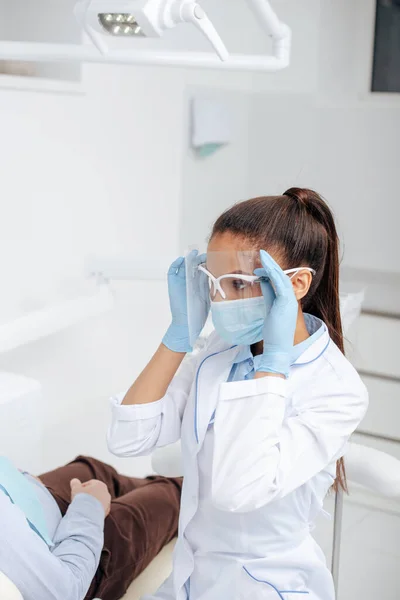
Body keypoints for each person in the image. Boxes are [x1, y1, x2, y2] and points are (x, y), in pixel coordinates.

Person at [107, 188, 369, 600]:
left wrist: (272, 368)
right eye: (213, 283)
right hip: (190, 578)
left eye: (238, 283)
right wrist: (178, 339)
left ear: (296, 284)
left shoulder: (337, 389)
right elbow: (129, 437)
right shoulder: (219, 350)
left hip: (264, 585)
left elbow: (238, 490)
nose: (221, 300)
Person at [0, 455, 182, 600]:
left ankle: (151, 486)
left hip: (32, 501)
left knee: (94, 469)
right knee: (175, 492)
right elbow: (63, 593)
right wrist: (89, 505)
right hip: (78, 561)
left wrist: (17, 480)